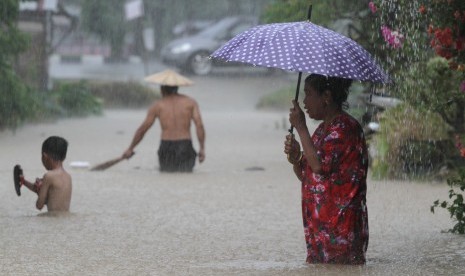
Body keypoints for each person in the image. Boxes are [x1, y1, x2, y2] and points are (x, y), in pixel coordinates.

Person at [284, 74, 369, 265]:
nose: (304, 101)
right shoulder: (323, 130)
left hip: (340, 229)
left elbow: (319, 166)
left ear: (327, 96)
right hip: (319, 230)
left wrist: (300, 127)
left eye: (309, 94)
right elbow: (307, 175)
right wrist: (296, 158)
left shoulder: (345, 128)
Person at [123, 84, 206, 172]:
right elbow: (199, 125)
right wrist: (202, 148)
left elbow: (143, 129)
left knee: (167, 176)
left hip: (167, 148)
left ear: (162, 89)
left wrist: (130, 148)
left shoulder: (158, 105)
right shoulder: (190, 102)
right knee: (186, 176)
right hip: (185, 146)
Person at [19, 136, 72, 213]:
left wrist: (39, 191)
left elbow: (39, 206)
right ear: (64, 157)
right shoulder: (68, 177)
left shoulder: (49, 176)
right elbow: (53, 197)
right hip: (65, 220)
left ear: (44, 156)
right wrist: (24, 182)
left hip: (53, 220)